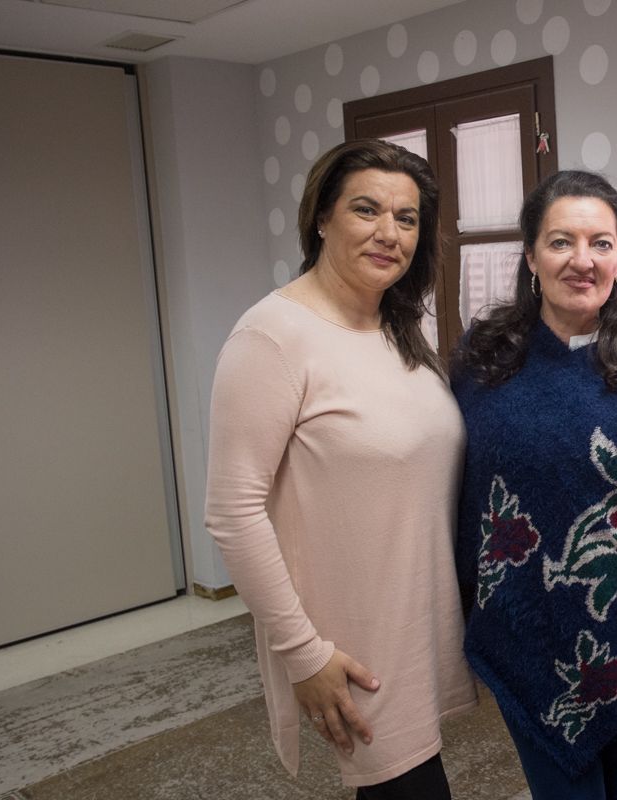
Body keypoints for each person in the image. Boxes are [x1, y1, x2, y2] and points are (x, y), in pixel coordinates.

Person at [204, 139, 476, 799]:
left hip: (416, 623)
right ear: (322, 218)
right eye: (366, 209)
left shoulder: (397, 329)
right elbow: (232, 514)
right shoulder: (271, 337)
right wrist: (304, 653)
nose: (389, 233)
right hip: (352, 644)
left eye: (407, 219)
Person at [451, 170, 617, 800]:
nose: (583, 261)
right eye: (561, 242)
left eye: (601, 243)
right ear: (530, 255)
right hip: (526, 625)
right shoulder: (485, 355)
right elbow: (456, 486)